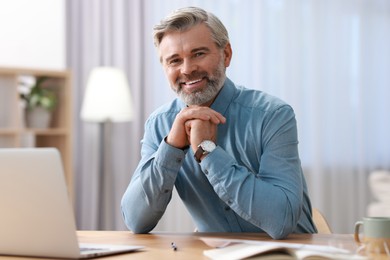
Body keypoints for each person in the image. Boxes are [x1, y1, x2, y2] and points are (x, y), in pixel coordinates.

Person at [121, 6, 317, 239]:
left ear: (226, 54)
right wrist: (171, 147)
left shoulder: (272, 115)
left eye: (198, 54)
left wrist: (207, 151)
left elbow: (281, 220)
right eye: (174, 60)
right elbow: (135, 220)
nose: (187, 69)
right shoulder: (159, 124)